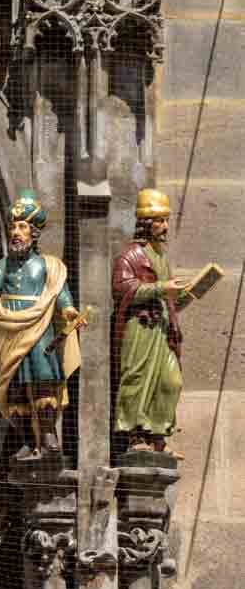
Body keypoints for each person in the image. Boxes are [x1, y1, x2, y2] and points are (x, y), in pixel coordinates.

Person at [0, 190, 85, 458]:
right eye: (13, 227)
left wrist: (68, 310)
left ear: (34, 233)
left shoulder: (47, 265)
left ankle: (48, 434)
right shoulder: (4, 265)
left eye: (22, 227)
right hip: (10, 331)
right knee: (14, 388)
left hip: (40, 330)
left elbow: (59, 291)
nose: (15, 233)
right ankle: (27, 440)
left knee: (44, 380)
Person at [113, 187, 189, 452]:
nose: (165, 226)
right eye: (160, 221)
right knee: (137, 378)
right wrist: (161, 288)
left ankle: (158, 435)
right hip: (141, 327)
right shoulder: (130, 255)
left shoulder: (161, 257)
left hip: (163, 328)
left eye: (166, 220)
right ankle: (135, 436)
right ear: (146, 223)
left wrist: (184, 292)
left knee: (171, 381)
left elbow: (167, 293)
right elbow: (122, 288)